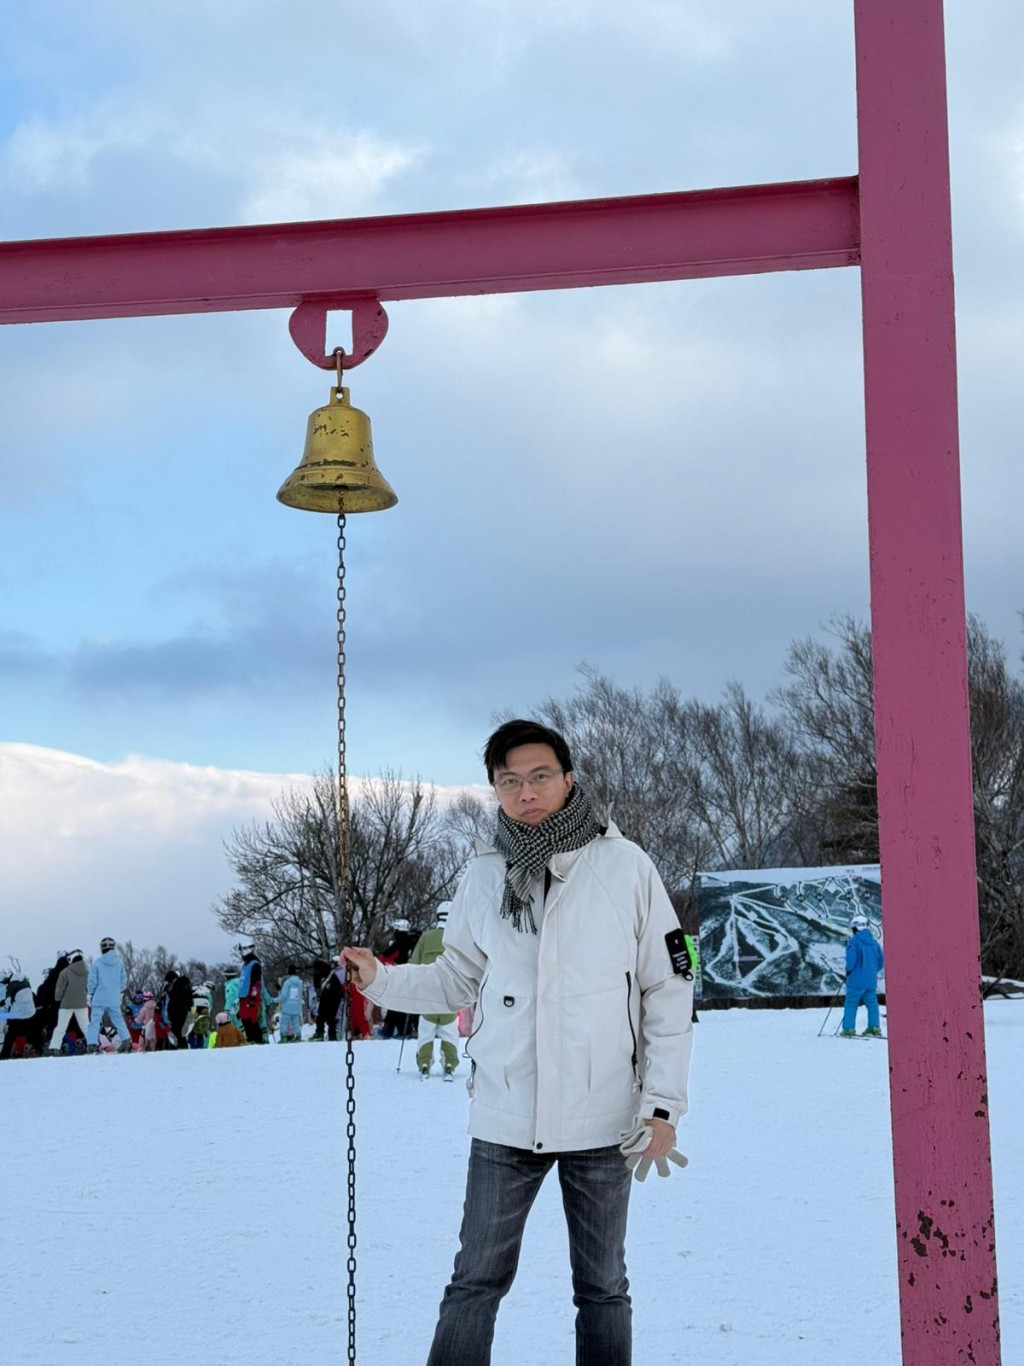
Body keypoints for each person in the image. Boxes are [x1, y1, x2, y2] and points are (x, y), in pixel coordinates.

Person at [342, 719, 693, 1366]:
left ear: (568, 778)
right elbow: (456, 978)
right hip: (505, 1117)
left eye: (538, 776)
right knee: (474, 1281)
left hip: (604, 1118)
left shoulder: (627, 867)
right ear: (495, 789)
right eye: (509, 781)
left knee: (603, 1288)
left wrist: (663, 1104)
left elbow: (671, 986)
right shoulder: (482, 876)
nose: (525, 792)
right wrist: (380, 981)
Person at [409, 905, 460, 1080]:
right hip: (449, 997)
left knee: (426, 1032)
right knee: (449, 1032)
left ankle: (424, 1063)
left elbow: (414, 965)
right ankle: (449, 1063)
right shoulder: (457, 938)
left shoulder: (425, 938)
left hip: (428, 997)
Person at [86, 937, 133, 1054]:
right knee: (118, 1020)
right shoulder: (119, 963)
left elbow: (92, 981)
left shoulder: (98, 963)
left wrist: (90, 994)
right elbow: (123, 981)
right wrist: (120, 992)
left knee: (95, 1022)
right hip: (114, 997)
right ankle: (127, 1041)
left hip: (99, 997)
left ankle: (92, 1045)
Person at [841, 913, 885, 1037]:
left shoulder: (854, 942)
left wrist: (848, 970)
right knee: (872, 1004)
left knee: (851, 1003)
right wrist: (871, 971)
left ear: (856, 927)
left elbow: (851, 959)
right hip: (870, 981)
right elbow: (881, 961)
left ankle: (848, 1029)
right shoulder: (874, 943)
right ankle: (874, 1028)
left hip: (856, 980)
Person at [380, 918, 420, 1039]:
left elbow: (383, 958)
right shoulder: (414, 942)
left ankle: (400, 1030)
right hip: (412, 975)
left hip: (397, 976)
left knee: (395, 1003)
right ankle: (393, 1030)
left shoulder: (398, 943)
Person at [47, 949, 91, 1055]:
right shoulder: (87, 972)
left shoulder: (65, 972)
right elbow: (90, 987)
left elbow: (60, 989)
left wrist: (58, 998)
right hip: (81, 1003)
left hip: (66, 1004)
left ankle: (54, 1047)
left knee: (61, 1026)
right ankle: (93, 1044)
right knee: (85, 1025)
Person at [0, 968, 41, 1059]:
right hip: (31, 1012)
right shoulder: (25, 982)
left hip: (19, 1014)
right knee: (30, 1032)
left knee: (10, 1035)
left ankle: (4, 1055)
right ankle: (34, 1048)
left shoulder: (11, 986)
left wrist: (2, 1003)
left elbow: (8, 1002)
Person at [236, 942, 265, 1043]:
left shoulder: (255, 965)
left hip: (251, 996)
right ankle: (250, 1039)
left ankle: (257, 1040)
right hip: (243, 997)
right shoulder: (245, 965)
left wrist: (253, 997)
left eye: (242, 950)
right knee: (244, 1019)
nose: (241, 953)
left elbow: (256, 984)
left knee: (251, 1019)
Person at [277, 966, 304, 1042]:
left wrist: (274, 1000)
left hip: (287, 1006)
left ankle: (283, 1037)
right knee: (296, 1022)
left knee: (284, 1022)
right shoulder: (299, 982)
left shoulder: (287, 982)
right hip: (296, 1005)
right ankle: (298, 1036)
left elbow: (284, 995)